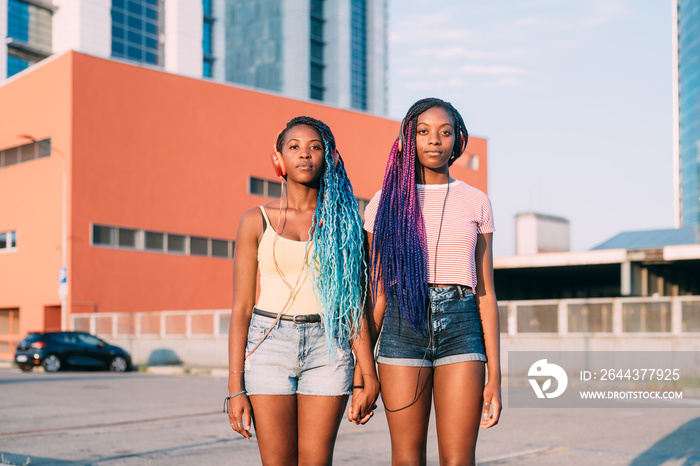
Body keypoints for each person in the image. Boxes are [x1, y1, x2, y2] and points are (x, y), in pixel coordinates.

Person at [226, 116, 379, 465]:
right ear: (278, 160)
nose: (305, 154)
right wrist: (235, 387)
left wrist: (367, 375)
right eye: (294, 147)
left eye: (315, 147)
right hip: (268, 347)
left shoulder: (346, 223)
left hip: (329, 347)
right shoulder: (255, 220)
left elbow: (352, 305)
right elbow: (241, 309)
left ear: (329, 158)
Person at [364, 98, 502, 465]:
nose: (434, 140)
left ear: (459, 140)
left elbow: (485, 293)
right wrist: (362, 369)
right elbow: (376, 293)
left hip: (461, 323)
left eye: (445, 132)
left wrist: (496, 377)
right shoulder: (384, 203)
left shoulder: (476, 202)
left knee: (458, 460)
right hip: (401, 325)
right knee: (407, 458)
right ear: (407, 139)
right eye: (423, 132)